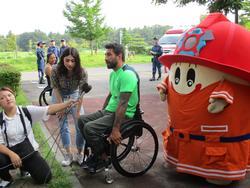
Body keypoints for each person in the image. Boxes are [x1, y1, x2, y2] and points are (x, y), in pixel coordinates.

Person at [78, 43, 139, 173]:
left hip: (124, 114)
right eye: (105, 54)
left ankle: (102, 158)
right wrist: (103, 111)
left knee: (90, 128)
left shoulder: (127, 74)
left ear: (119, 56)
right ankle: (98, 150)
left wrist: (116, 130)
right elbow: (111, 94)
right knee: (81, 120)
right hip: (110, 111)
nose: (105, 57)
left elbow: (123, 104)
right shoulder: (113, 74)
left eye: (109, 54)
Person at [0, 86, 78, 187]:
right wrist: (11, 154)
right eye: (2, 98)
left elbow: (48, 109)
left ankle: (24, 168)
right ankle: (7, 178)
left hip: (28, 151)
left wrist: (66, 104)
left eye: (9, 95)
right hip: (9, 153)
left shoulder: (26, 111)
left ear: (14, 96)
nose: (7, 98)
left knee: (45, 177)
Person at [50, 47, 88, 166]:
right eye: (67, 60)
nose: (70, 64)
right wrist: (61, 106)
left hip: (75, 95)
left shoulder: (82, 71)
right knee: (63, 125)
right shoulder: (55, 69)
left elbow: (82, 92)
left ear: (77, 61)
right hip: (59, 95)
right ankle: (68, 154)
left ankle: (79, 153)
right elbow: (55, 88)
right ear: (62, 59)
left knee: (80, 125)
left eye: (73, 61)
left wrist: (77, 112)